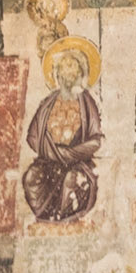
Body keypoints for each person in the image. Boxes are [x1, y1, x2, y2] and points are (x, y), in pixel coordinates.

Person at [22, 40, 103, 222]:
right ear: (57, 72)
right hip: (48, 162)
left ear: (80, 72)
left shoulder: (86, 102)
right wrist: (51, 151)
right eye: (64, 67)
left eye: (72, 66)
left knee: (71, 180)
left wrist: (70, 153)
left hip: (76, 164)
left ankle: (63, 218)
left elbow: (96, 140)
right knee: (31, 178)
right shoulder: (48, 103)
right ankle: (45, 217)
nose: (68, 72)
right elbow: (33, 137)